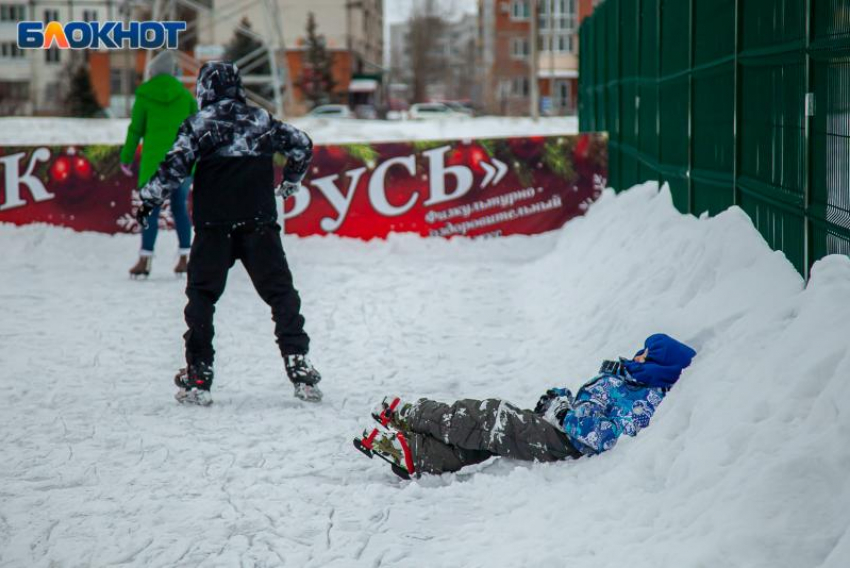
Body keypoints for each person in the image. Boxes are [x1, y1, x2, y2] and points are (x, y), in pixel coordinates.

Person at [135, 61, 321, 405]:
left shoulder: (198, 124)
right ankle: (299, 365)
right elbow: (301, 144)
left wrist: (148, 200)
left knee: (202, 299)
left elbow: (173, 168)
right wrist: (291, 180)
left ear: (204, 88)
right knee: (281, 294)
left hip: (214, 226)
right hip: (258, 223)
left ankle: (199, 375)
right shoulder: (261, 120)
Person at [355, 334, 697, 478]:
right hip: (561, 430)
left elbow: (606, 435)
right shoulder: (632, 379)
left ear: (658, 363)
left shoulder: (645, 399)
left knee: (492, 418)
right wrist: (560, 397)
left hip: (568, 443)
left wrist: (565, 412)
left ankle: (416, 416)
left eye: (645, 353)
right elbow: (589, 402)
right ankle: (419, 454)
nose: (637, 354)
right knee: (487, 436)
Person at [120, 51, 197, 278]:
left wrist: (126, 158)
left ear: (152, 73)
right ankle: (185, 258)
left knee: (149, 212)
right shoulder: (186, 97)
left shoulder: (144, 96)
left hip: (155, 166)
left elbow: (135, 130)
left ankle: (144, 261)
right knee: (180, 209)